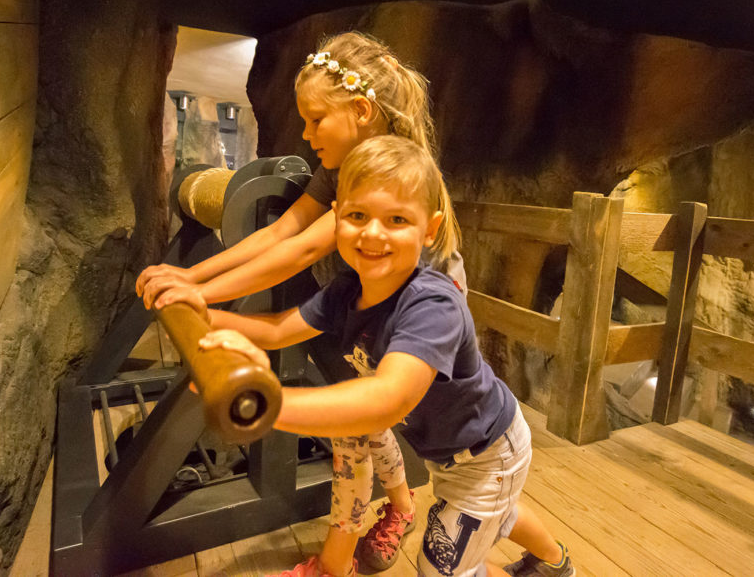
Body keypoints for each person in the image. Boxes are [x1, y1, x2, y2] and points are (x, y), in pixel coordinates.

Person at [167, 136, 574, 577]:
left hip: (488, 452)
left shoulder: (431, 305)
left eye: (397, 219)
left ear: (430, 229)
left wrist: (262, 403)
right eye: (358, 215)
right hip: (452, 453)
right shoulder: (349, 290)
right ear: (337, 217)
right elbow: (282, 328)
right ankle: (553, 562)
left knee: (443, 562)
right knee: (494, 513)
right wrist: (202, 314)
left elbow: (388, 399)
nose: (374, 233)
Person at [140, 32, 464, 572]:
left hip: (413, 314)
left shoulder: (377, 175)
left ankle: (336, 559)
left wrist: (198, 290)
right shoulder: (342, 165)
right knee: (365, 424)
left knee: (364, 422)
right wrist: (190, 275)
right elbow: (283, 231)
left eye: (316, 119)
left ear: (361, 111)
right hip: (367, 304)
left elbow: (297, 252)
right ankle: (402, 508)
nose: (307, 133)